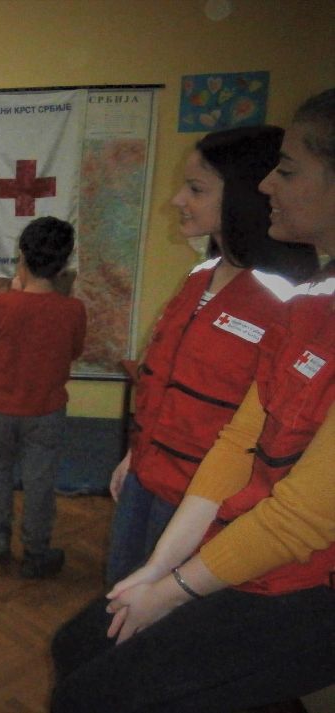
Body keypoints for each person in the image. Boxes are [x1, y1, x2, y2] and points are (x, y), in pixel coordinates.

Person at [50, 87, 335, 713]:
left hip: (253, 543)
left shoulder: (284, 295)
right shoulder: (284, 296)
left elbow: (298, 510)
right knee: (100, 632)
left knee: (117, 678)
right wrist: (138, 456)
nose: (270, 185)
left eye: (288, 172)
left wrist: (174, 584)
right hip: (161, 484)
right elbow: (196, 403)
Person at [105, 125, 319, 585]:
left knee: (162, 614)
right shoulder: (199, 276)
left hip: (201, 504)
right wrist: (134, 455)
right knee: (119, 594)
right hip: (145, 478)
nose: (178, 200)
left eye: (196, 189)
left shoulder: (289, 300)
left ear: (244, 196)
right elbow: (163, 382)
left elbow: (263, 431)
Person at [0, 216, 87, 577]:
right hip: (46, 412)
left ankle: (0, 536)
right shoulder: (73, 310)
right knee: (40, 482)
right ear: (63, 264)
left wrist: (15, 294)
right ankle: (36, 553)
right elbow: (74, 351)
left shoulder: (0, 305)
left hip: (2, 408)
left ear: (22, 258)